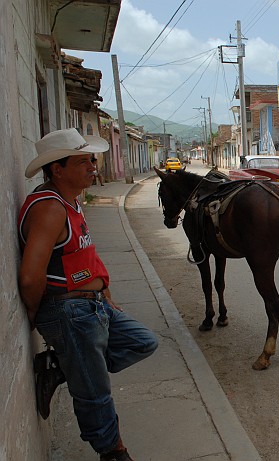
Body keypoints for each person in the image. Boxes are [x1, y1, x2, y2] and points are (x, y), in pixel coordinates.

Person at [18, 128, 158, 461]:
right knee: (96, 393)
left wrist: (104, 289)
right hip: (69, 311)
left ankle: (64, 367)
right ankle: (113, 451)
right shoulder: (49, 209)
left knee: (143, 342)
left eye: (92, 159)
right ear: (57, 169)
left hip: (91, 306)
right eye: (83, 162)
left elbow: (83, 255)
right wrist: (37, 313)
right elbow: (29, 276)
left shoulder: (72, 202)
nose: (93, 166)